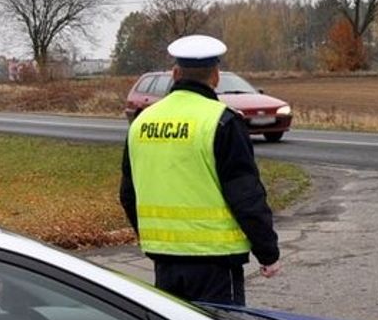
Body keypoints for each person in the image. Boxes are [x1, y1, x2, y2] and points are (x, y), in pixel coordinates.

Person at [119, 34, 281, 305]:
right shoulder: (222, 121)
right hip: (215, 262)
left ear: (175, 73)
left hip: (164, 261)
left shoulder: (142, 122)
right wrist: (268, 252)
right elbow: (246, 195)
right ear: (215, 76)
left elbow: (128, 194)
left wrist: (153, 237)